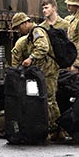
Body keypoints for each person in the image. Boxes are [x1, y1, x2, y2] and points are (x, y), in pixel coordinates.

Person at [10, 12, 60, 141]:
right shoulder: (29, 36)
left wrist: (31, 58)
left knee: (49, 100)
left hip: (48, 71)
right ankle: (48, 129)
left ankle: (56, 130)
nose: (18, 30)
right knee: (43, 100)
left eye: (18, 27)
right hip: (42, 72)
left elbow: (43, 47)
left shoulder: (37, 31)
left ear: (25, 23)